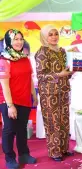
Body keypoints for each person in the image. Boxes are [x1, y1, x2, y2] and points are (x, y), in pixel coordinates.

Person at [35, 25, 73, 162]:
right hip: (49, 94)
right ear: (44, 37)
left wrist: (69, 72)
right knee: (53, 122)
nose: (54, 37)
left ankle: (63, 148)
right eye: (50, 34)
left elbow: (65, 71)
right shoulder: (42, 53)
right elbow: (41, 75)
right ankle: (54, 151)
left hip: (63, 90)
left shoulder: (62, 51)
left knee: (64, 120)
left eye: (56, 34)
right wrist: (59, 74)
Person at [0, 29, 38, 169]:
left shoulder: (25, 58)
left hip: (24, 99)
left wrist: (33, 95)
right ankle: (10, 158)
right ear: (9, 41)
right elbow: (4, 85)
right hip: (8, 100)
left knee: (22, 129)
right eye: (15, 39)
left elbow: (29, 78)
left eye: (21, 39)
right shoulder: (4, 59)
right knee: (9, 130)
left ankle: (24, 154)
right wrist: (10, 106)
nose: (19, 42)